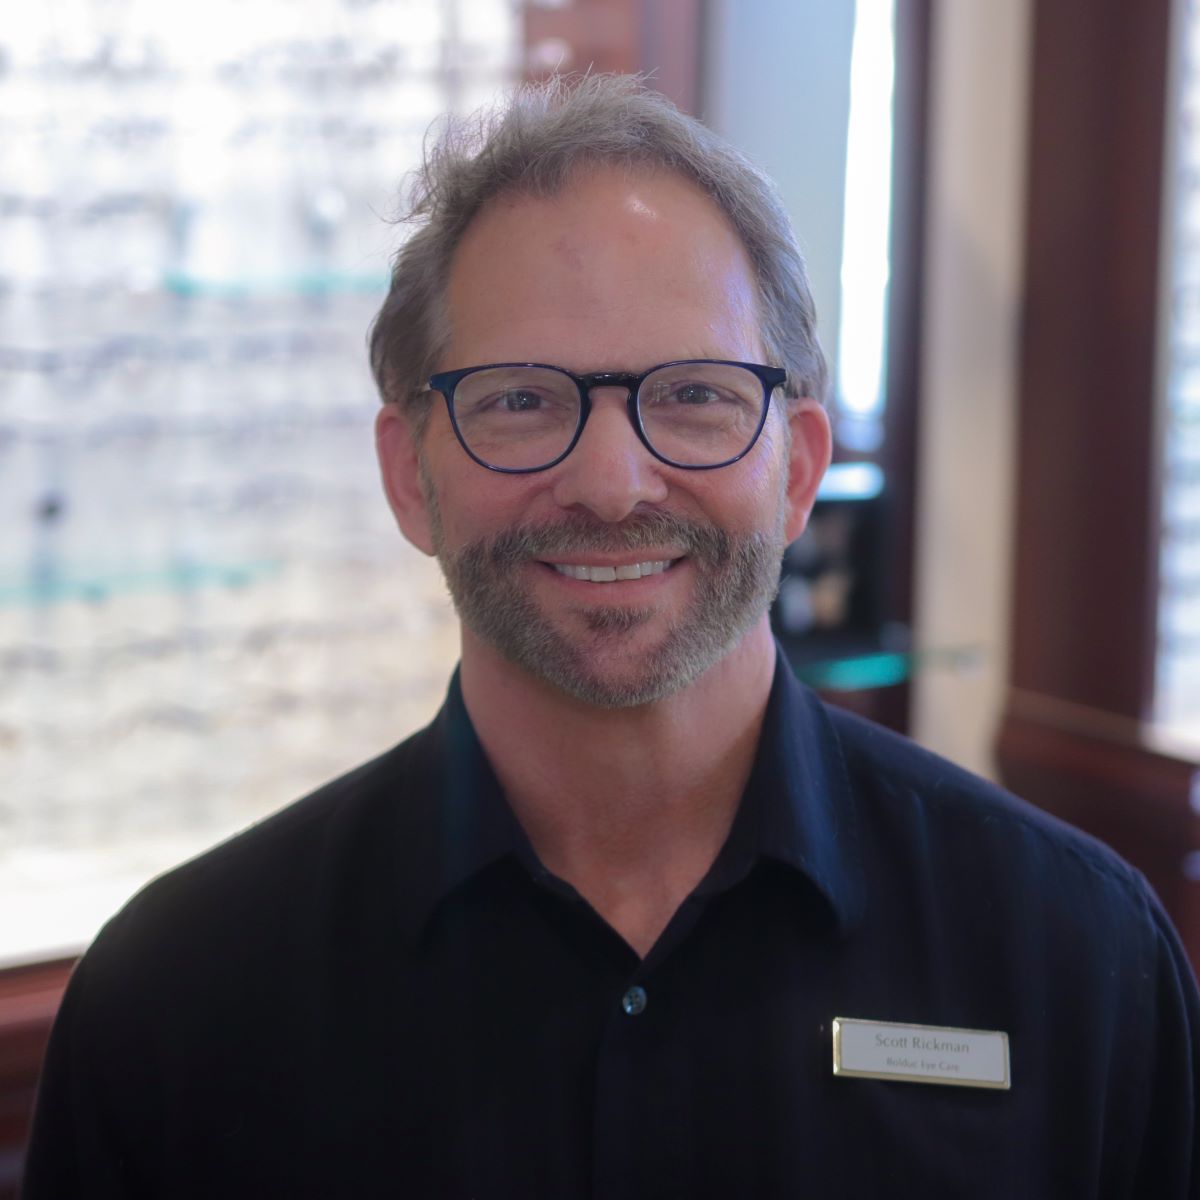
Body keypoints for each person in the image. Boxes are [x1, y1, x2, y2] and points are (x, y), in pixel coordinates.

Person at [22, 75, 1200, 1199]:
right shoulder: (180, 1003)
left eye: (693, 393)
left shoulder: (1077, 959)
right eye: (521, 399)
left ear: (795, 469)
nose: (611, 482)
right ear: (408, 474)